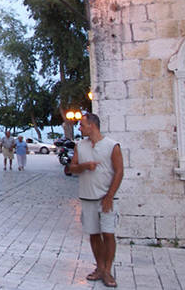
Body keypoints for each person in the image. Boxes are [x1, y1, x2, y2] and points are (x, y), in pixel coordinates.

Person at [68, 113, 123, 288]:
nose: (79, 128)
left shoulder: (112, 146)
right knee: (94, 234)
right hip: (87, 196)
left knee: (108, 233)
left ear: (92, 125)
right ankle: (99, 267)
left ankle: (107, 270)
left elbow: (119, 171)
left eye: (82, 125)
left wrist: (110, 196)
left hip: (106, 198)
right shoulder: (80, 146)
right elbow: (72, 168)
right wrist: (85, 166)